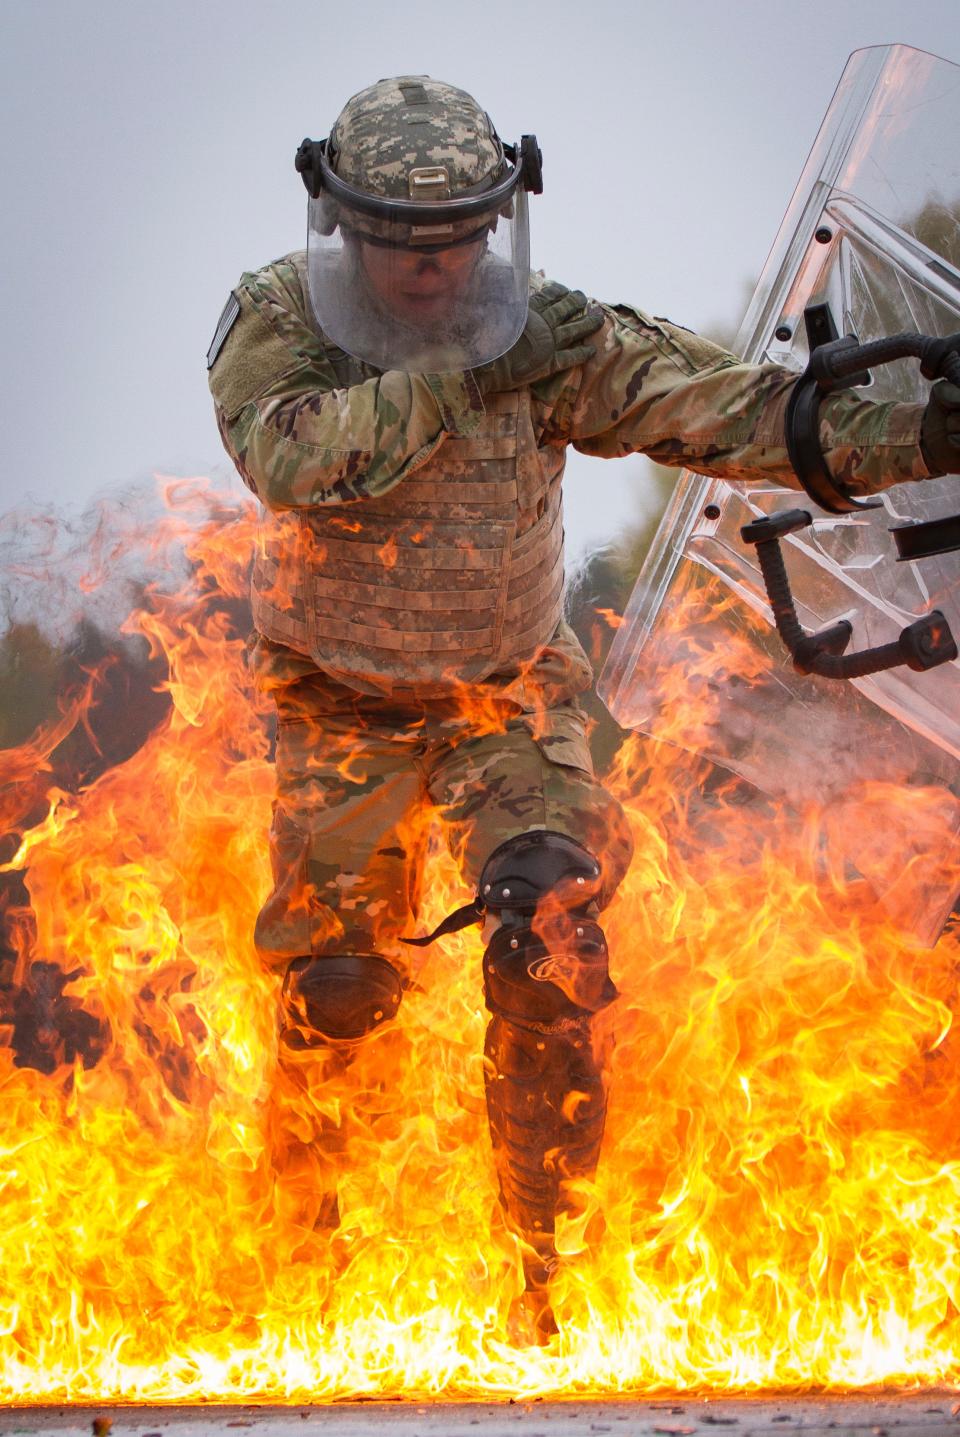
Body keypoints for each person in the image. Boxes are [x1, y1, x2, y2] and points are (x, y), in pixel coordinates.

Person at [207, 75, 960, 1338]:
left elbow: (727, 411)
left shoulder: (551, 332)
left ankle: (550, 1291)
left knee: (549, 931)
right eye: (400, 243)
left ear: (502, 220)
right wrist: (462, 376)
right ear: (342, 224)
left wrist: (921, 433)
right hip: (338, 706)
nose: (432, 271)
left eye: (458, 244)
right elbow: (296, 458)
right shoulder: (275, 319)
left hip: (505, 695)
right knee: (338, 994)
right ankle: (299, 1292)